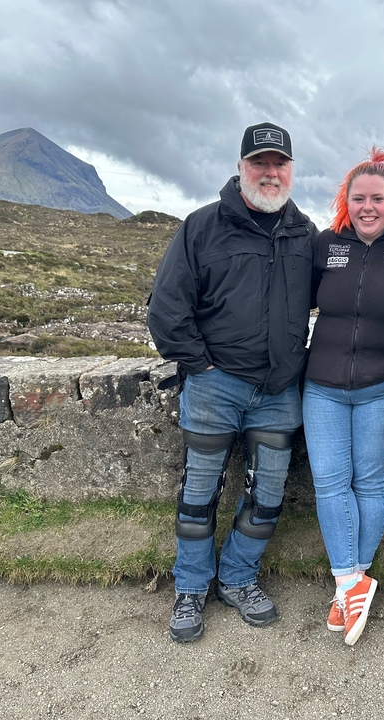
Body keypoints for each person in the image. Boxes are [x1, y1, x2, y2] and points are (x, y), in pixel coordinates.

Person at [147, 122, 317, 643]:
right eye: (259, 163)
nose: (270, 173)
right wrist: (200, 366)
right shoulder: (201, 227)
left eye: (279, 164)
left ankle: (238, 578)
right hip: (214, 387)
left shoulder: (305, 234)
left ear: (290, 170)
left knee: (269, 495)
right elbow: (166, 309)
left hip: (278, 392)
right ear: (241, 167)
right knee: (199, 496)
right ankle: (192, 587)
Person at [303, 148, 384, 646]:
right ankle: (350, 583)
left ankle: (349, 586)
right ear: (345, 201)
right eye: (358, 198)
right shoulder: (326, 245)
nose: (367, 206)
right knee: (329, 483)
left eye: (377, 198)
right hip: (321, 387)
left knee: (369, 485)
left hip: (382, 388)